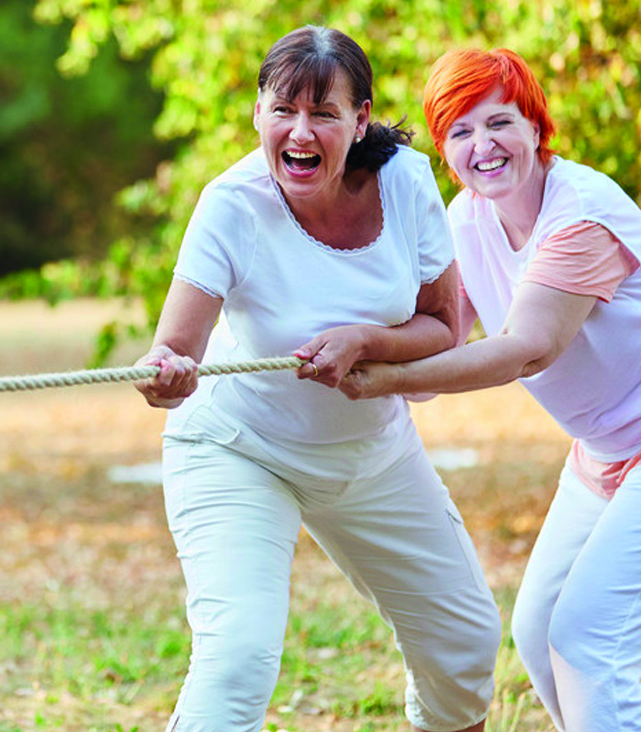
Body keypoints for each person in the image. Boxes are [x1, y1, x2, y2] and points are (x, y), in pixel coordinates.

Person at [339, 48, 641, 731]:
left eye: (498, 124)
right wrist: (351, 348)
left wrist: (386, 376)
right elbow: (438, 340)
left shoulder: (580, 212)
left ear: (535, 125)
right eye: (459, 131)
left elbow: (527, 348)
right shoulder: (466, 222)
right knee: (541, 632)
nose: (481, 146)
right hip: (607, 447)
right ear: (443, 150)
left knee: (589, 644)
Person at [133, 25, 500, 732]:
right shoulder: (230, 204)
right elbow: (174, 350)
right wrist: (166, 376)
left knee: (463, 645)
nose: (299, 132)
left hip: (370, 454)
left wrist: (364, 340)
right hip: (239, 449)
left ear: (359, 120)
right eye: (282, 110)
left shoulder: (404, 180)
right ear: (257, 114)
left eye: (323, 114)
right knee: (236, 659)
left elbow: (443, 329)